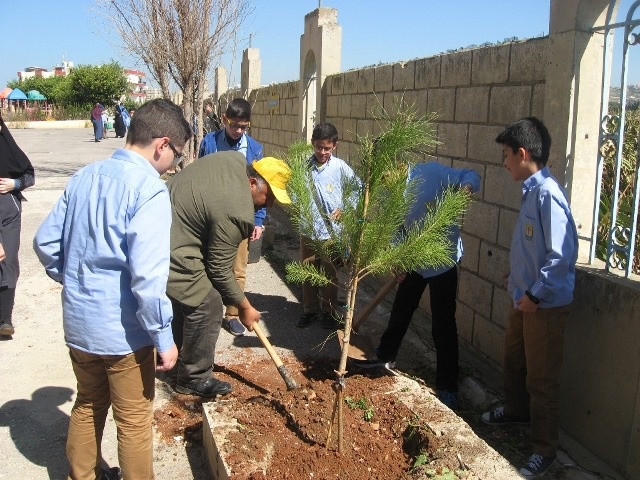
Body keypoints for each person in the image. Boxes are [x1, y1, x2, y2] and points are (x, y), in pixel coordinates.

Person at [33, 98, 190, 480]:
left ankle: (80, 474)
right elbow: (148, 279)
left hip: (80, 324)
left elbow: (45, 243)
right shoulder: (150, 191)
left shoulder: (85, 176)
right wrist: (164, 337)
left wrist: (74, 281)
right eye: (178, 155)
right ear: (162, 145)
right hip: (124, 335)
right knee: (134, 420)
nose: (176, 164)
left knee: (87, 402)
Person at [481, 117, 578, 478]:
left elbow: (562, 255)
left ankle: (544, 450)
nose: (504, 162)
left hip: (544, 307)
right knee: (514, 360)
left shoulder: (549, 195)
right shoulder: (531, 191)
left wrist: (534, 296)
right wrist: (519, 278)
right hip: (524, 299)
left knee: (542, 380)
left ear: (522, 154)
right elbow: (534, 249)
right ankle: (517, 413)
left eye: (506, 155)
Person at [353, 161, 480, 410]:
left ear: (398, 164)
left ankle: (447, 386)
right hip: (413, 258)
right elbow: (396, 229)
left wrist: (465, 189)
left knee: (443, 325)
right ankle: (385, 357)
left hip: (443, 259)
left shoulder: (429, 173)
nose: (383, 181)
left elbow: (472, 173)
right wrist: (398, 258)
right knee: (401, 310)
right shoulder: (390, 190)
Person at [166, 153, 291, 398]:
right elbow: (220, 270)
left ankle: (179, 359)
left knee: (190, 298)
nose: (270, 205)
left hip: (167, 222)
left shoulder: (234, 160)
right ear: (254, 183)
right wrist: (244, 307)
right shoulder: (238, 211)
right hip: (169, 243)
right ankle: (193, 378)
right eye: (270, 196)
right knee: (208, 302)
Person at [198, 98, 265, 336]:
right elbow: (199, 176)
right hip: (210, 216)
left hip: (240, 219)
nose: (238, 131)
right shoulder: (210, 142)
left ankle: (233, 314)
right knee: (209, 265)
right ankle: (206, 312)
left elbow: (261, 188)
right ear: (225, 120)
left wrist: (258, 221)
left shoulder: (255, 149)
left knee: (238, 268)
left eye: (243, 127)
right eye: (234, 125)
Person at [296, 122, 358, 330]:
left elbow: (357, 190)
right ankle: (309, 310)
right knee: (308, 270)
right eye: (318, 147)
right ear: (313, 144)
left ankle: (329, 312)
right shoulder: (303, 167)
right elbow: (295, 193)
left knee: (330, 273)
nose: (322, 152)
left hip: (332, 232)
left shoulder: (340, 168)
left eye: (327, 148)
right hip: (309, 229)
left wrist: (345, 208)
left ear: (335, 146)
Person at [0, 113, 34, 338]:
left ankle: (5, 320)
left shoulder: (7, 147)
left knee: (8, 260)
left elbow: (29, 175)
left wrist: (16, 183)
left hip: (8, 214)